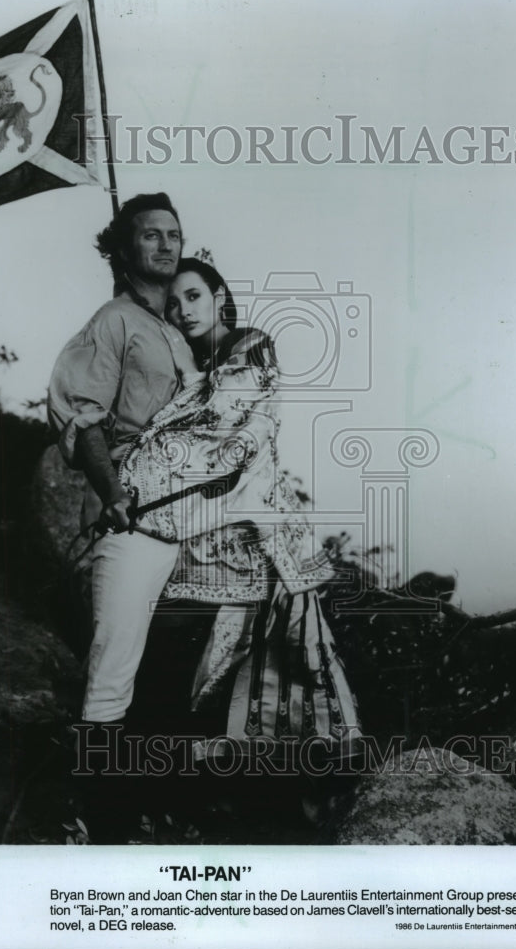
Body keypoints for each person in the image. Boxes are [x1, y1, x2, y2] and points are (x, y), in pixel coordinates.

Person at [120, 257, 362, 771]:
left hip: (251, 530)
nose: (183, 310)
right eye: (172, 304)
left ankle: (242, 781)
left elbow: (224, 432)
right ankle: (167, 781)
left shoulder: (251, 346)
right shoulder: (186, 367)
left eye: (192, 296)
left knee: (242, 662)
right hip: (200, 527)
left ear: (218, 296)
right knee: (181, 657)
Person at [47, 195, 198, 821]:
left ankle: (150, 808)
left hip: (190, 517)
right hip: (134, 513)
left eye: (174, 234)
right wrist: (115, 497)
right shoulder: (114, 321)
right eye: (150, 236)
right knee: (115, 660)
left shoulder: (183, 330)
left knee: (174, 662)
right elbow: (80, 415)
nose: (165, 245)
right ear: (124, 247)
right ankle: (94, 818)